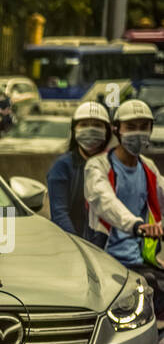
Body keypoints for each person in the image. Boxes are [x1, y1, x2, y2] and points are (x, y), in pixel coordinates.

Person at [84, 98, 164, 318]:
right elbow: (104, 201)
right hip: (108, 260)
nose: (138, 133)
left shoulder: (148, 167)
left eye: (143, 127)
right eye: (131, 127)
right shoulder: (98, 165)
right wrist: (137, 225)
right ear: (116, 129)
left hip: (142, 259)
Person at [47, 101, 111, 243]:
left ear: (107, 131)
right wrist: (81, 245)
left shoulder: (114, 165)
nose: (90, 129)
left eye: (97, 125)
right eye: (84, 125)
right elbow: (59, 214)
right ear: (74, 129)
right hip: (74, 244)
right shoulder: (62, 166)